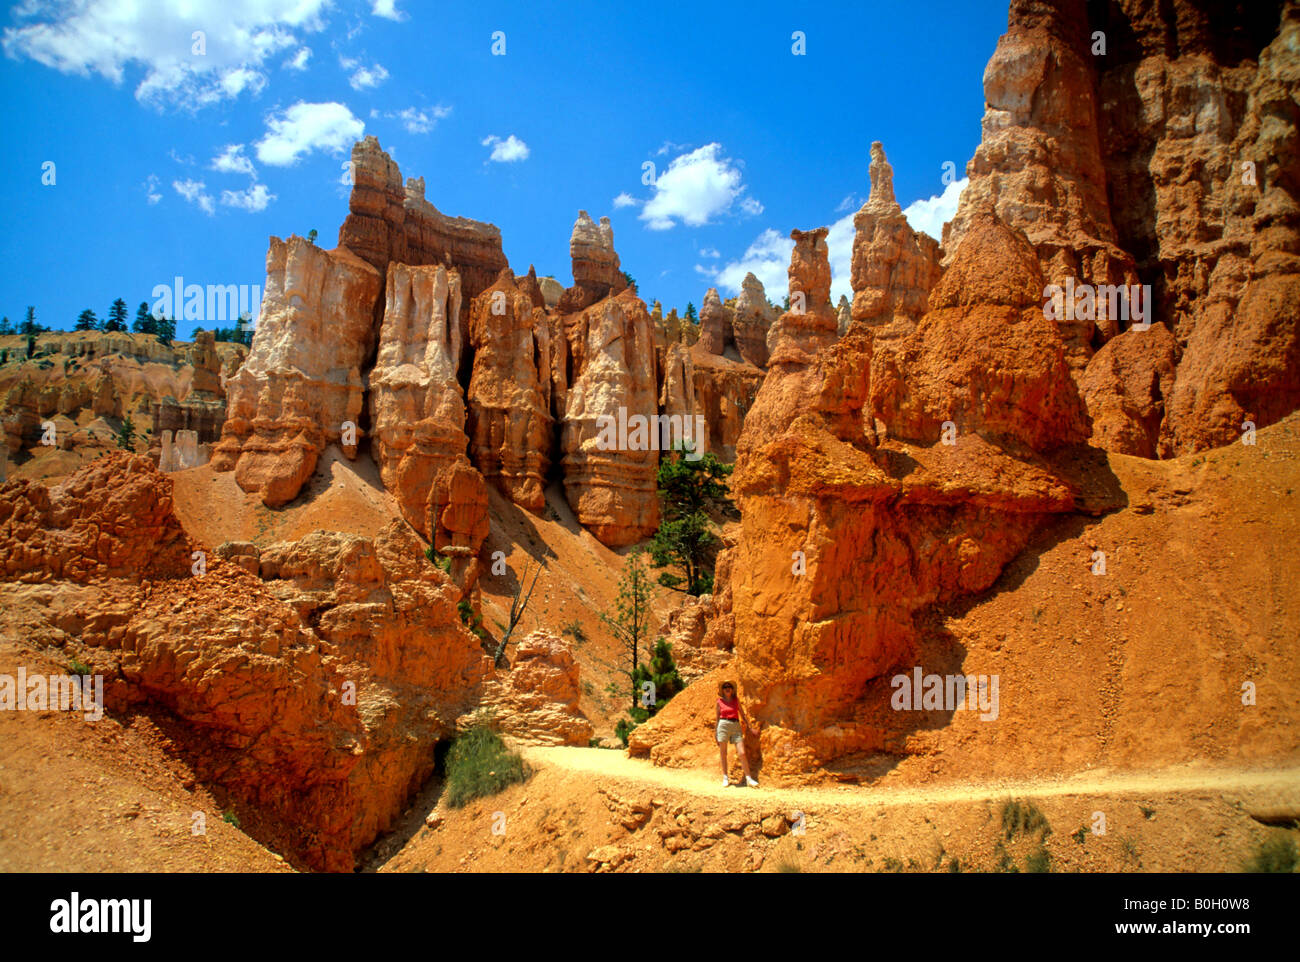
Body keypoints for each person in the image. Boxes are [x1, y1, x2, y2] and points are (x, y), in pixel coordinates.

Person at [715, 680, 758, 787]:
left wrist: (750, 728)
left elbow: (742, 715)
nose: (727, 688)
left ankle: (749, 778)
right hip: (723, 725)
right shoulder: (719, 702)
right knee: (723, 753)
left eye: (729, 686)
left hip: (735, 725)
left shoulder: (736, 700)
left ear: (732, 689)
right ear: (722, 690)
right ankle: (725, 777)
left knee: (742, 753)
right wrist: (715, 733)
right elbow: (717, 719)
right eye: (725, 687)